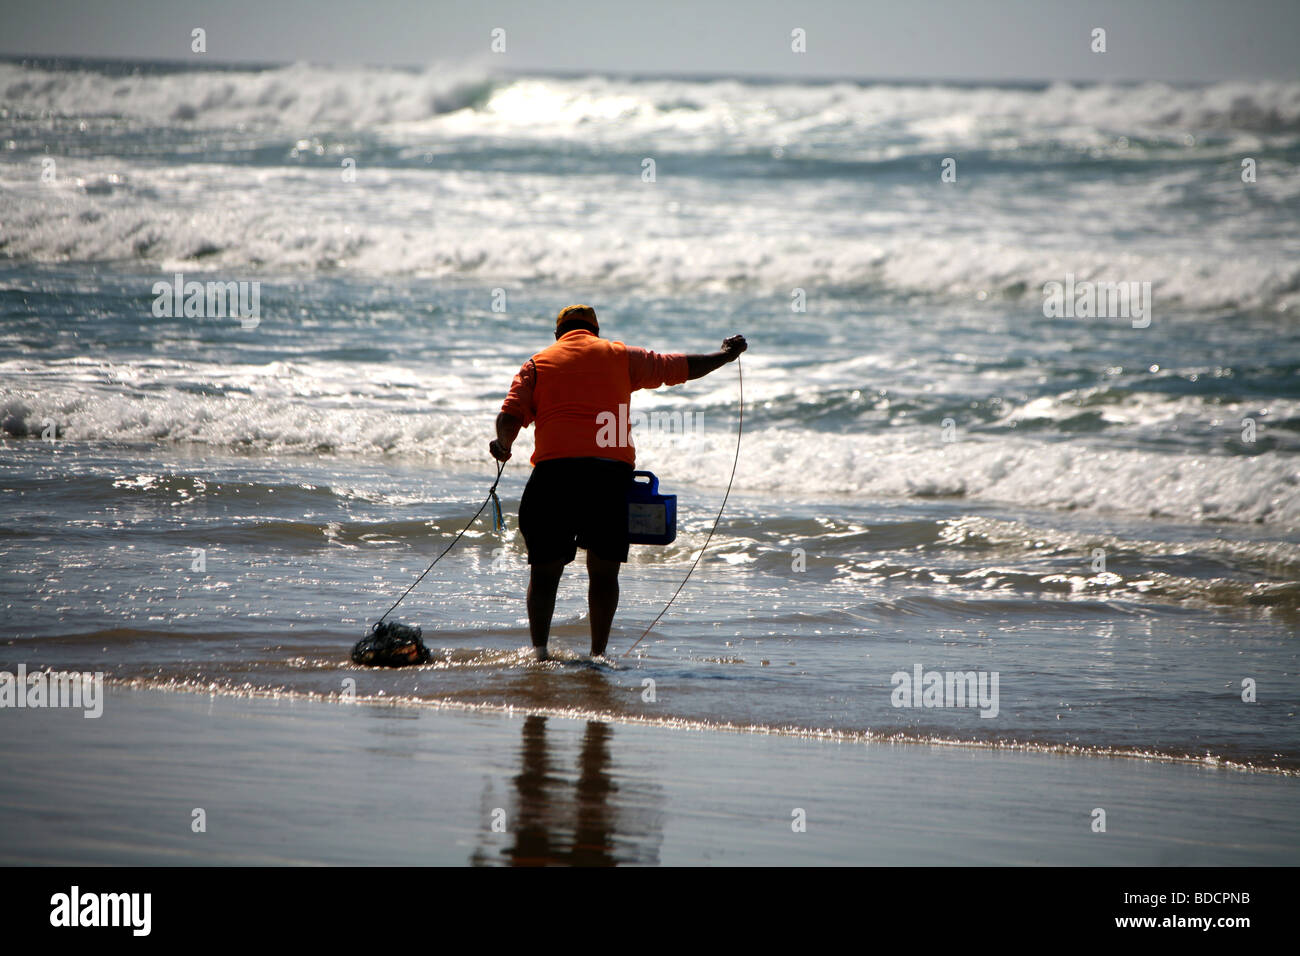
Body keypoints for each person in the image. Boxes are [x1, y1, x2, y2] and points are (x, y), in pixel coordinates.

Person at [490, 304, 746, 660]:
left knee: (545, 570)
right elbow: (682, 367)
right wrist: (725, 355)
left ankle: (540, 653)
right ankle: (597, 655)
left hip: (554, 476)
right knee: (604, 570)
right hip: (608, 477)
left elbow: (509, 416)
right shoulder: (621, 356)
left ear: (557, 334)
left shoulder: (536, 364)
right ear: (595, 331)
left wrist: (504, 446)